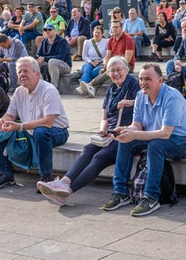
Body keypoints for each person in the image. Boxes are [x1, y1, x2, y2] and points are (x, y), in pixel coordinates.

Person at [37, 57, 139, 206]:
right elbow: (105, 116)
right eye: (112, 70)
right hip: (109, 134)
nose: (116, 73)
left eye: (119, 70)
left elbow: (147, 102)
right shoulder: (111, 89)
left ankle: (67, 192)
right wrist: (102, 128)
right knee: (88, 149)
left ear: (127, 70)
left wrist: (132, 102)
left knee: (100, 157)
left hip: (126, 134)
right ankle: (64, 182)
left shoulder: (134, 85)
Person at [101, 63, 186, 217]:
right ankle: (121, 193)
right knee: (125, 142)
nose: (143, 83)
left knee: (155, 146)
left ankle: (151, 197)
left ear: (160, 80)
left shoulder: (172, 97)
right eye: (140, 79)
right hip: (156, 135)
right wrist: (126, 130)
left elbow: (165, 134)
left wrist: (135, 134)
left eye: (148, 79)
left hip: (183, 139)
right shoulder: (140, 95)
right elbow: (137, 125)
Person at [0, 56, 69, 190]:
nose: (22, 75)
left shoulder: (49, 90)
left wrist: (20, 126)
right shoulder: (19, 91)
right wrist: (1, 121)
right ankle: (5, 174)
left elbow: (48, 122)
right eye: (19, 72)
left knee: (41, 132)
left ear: (37, 74)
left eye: (25, 71)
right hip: (30, 129)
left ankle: (46, 178)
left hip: (56, 131)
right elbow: (10, 115)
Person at [80, 20, 135, 97]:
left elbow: (127, 60)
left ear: (121, 28)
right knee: (103, 69)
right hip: (115, 62)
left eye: (116, 27)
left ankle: (90, 84)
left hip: (127, 65)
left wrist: (113, 64)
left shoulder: (128, 39)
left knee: (110, 70)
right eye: (113, 27)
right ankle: (93, 90)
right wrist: (105, 64)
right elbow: (107, 56)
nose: (114, 29)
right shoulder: (111, 40)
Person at [36, 24, 72, 88]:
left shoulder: (62, 41)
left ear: (54, 31)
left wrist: (44, 58)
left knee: (52, 61)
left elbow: (62, 57)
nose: (47, 31)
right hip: (49, 64)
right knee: (35, 63)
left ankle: (54, 87)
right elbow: (39, 55)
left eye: (49, 29)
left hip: (65, 65)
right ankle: (39, 86)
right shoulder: (44, 42)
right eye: (45, 30)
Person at [76, 26, 108, 95]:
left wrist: (100, 61)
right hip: (90, 62)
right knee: (87, 70)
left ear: (102, 34)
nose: (97, 34)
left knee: (94, 73)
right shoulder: (87, 42)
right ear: (93, 33)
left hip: (101, 62)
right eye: (95, 32)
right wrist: (91, 62)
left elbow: (107, 55)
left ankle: (85, 86)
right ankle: (82, 87)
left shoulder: (106, 42)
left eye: (99, 33)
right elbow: (84, 56)